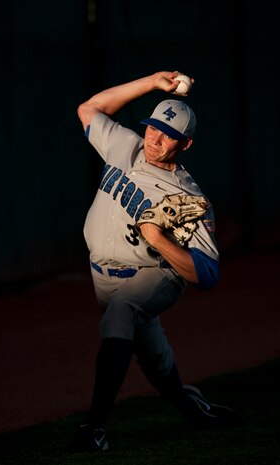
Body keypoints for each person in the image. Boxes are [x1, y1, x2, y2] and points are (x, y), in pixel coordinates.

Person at [76, 70, 240, 452]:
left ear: (186, 144)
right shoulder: (126, 146)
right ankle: (193, 409)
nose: (155, 138)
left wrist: (157, 239)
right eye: (152, 127)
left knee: (121, 313)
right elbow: (90, 108)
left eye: (168, 135)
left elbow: (208, 273)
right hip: (102, 275)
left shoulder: (189, 198)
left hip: (154, 276)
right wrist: (151, 82)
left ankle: (93, 429)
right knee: (152, 357)